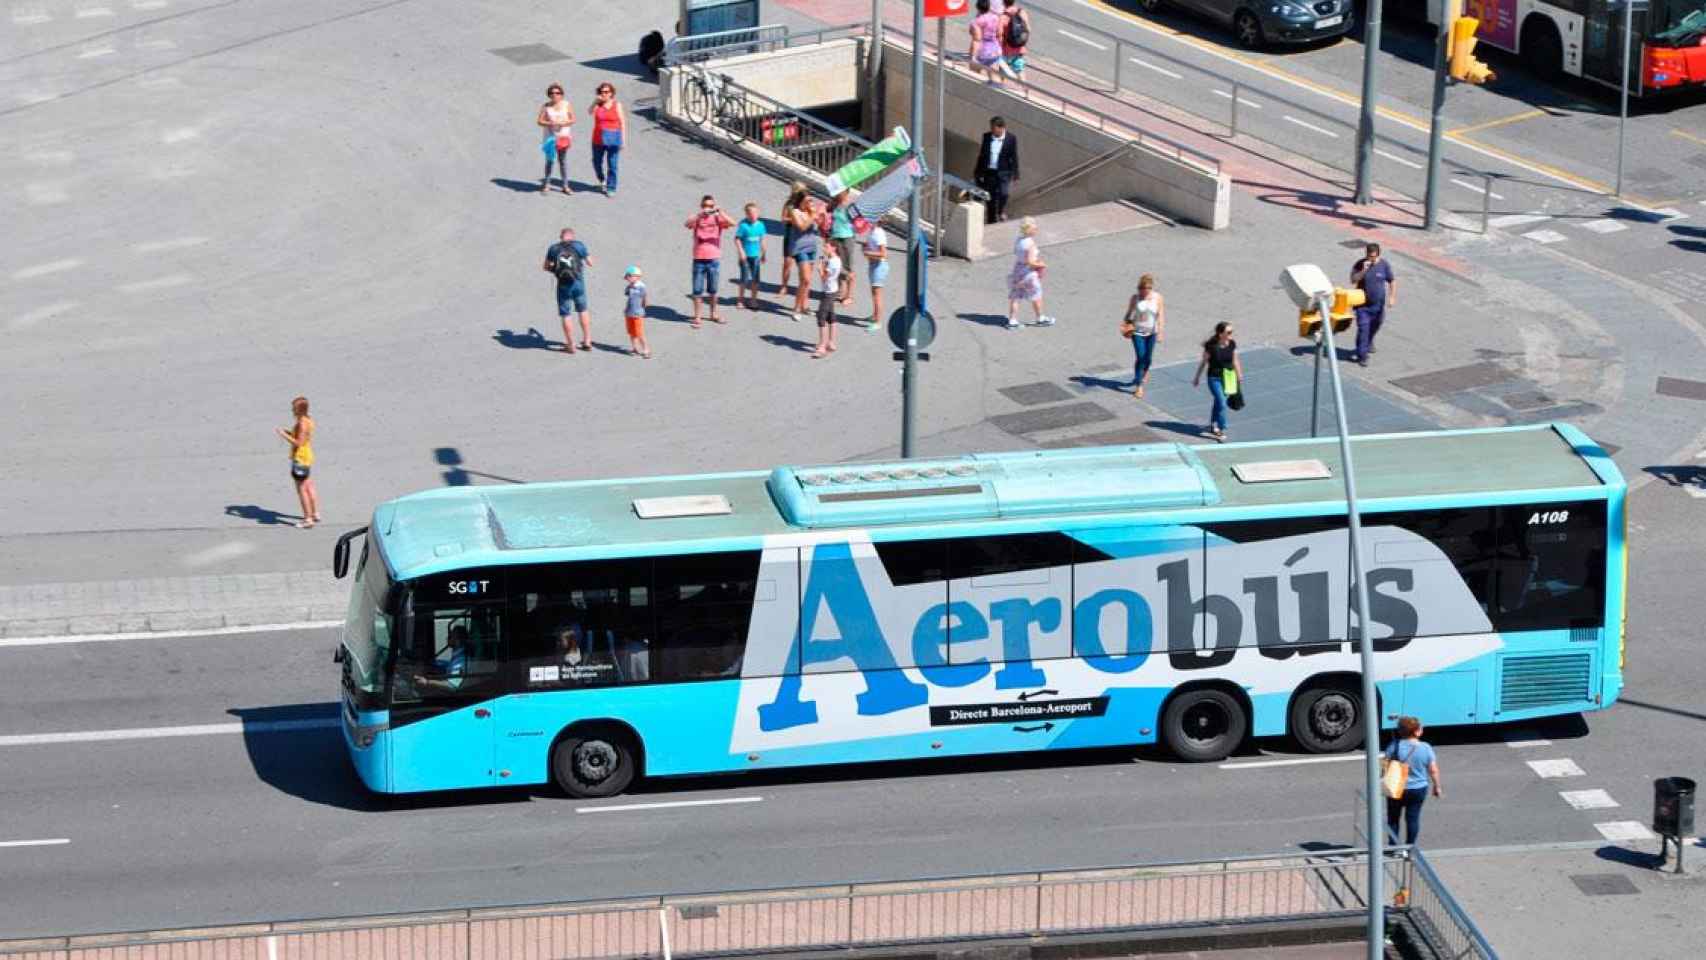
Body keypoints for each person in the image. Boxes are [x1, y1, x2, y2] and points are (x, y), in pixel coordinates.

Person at [1383, 715, 1442, 846]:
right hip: (1418, 789)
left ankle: (1393, 846)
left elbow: (1385, 767)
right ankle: (1410, 847)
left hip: (1396, 787)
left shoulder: (1394, 745)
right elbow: (1433, 770)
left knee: (1393, 819)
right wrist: (1437, 786)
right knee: (1412, 819)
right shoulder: (1425, 747)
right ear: (1416, 731)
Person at [684, 194, 735, 328]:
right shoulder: (697, 218)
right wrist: (700, 215)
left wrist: (720, 212)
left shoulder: (717, 218)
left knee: (713, 290)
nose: (708, 208)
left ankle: (714, 314)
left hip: (713, 258)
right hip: (699, 259)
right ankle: (697, 317)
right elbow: (687, 224)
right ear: (702, 206)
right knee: (697, 290)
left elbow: (733, 223)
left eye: (711, 206)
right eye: (706, 205)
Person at [543, 227, 594, 353]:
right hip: (578, 283)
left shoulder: (553, 248)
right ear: (572, 236)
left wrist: (555, 269)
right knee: (583, 310)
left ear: (561, 237)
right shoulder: (579, 246)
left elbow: (545, 267)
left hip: (563, 285)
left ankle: (571, 345)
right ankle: (587, 341)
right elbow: (590, 262)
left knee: (566, 314)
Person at [1191, 321, 1243, 442]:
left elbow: (1235, 360)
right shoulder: (1211, 347)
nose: (1231, 334)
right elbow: (1203, 363)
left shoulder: (1232, 344)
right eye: (1229, 332)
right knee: (1221, 402)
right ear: (1221, 334)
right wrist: (1197, 377)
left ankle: (1213, 424)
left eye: (1232, 331)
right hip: (1214, 378)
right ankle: (1220, 429)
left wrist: (1239, 374)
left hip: (1228, 378)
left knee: (1218, 402)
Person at [1350, 242, 1396, 366]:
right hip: (1362, 305)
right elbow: (1353, 280)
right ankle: (1362, 355)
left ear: (1378, 255)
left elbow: (1392, 281)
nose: (1371, 259)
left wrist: (1392, 297)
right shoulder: (1360, 264)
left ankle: (1369, 341)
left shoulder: (1384, 265)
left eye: (1374, 257)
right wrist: (1364, 270)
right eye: (1369, 256)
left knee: (1376, 325)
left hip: (1378, 306)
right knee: (1363, 329)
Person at [275, 396, 319, 529]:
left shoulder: (301, 423)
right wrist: (290, 432)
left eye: (294, 408)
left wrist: (283, 434)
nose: (292, 410)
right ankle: (315, 513)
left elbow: (298, 442)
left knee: (302, 490)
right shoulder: (308, 420)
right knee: (309, 485)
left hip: (300, 459)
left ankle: (308, 519)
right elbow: (302, 437)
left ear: (299, 410)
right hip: (307, 456)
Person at [1122, 273, 1165, 399]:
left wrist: (1161, 332)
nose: (1143, 291)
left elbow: (1161, 316)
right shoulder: (1135, 298)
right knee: (1140, 356)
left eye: (1146, 289)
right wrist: (1125, 325)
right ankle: (1139, 385)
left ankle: (1143, 372)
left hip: (1152, 332)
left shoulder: (1157, 298)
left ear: (1150, 288)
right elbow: (1129, 313)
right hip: (1137, 332)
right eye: (1141, 289)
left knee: (1148, 358)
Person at [1006, 217, 1054, 329]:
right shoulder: (1030, 244)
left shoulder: (1019, 240)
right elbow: (1030, 262)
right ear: (1029, 230)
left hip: (1017, 270)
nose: (1036, 229)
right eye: (1034, 227)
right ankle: (1040, 318)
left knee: (1015, 295)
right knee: (1036, 295)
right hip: (1028, 273)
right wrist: (1041, 265)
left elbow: (1016, 253)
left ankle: (1012, 320)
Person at [974, 116, 1019, 224]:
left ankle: (1000, 211)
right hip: (990, 173)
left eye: (994, 129)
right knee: (990, 199)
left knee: (1004, 193)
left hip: (1004, 172)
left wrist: (1016, 174)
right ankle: (991, 221)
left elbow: (1014, 156)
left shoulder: (1011, 139)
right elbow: (982, 155)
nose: (992, 131)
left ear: (1002, 128)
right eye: (991, 128)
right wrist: (977, 171)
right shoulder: (986, 136)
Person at [785, 190, 820, 322]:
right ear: (801, 201)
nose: (810, 203)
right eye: (808, 201)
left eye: (811, 200)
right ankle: (797, 308)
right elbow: (802, 227)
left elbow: (820, 226)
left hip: (812, 247)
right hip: (800, 249)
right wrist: (812, 215)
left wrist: (821, 217)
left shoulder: (810, 211)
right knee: (804, 279)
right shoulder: (795, 212)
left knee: (808, 280)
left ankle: (805, 306)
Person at [588, 82, 626, 196]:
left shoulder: (617, 105)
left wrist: (623, 140)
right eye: (602, 92)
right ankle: (602, 180)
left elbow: (622, 122)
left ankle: (611, 187)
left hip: (613, 138)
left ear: (611, 93)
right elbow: (589, 112)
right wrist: (595, 101)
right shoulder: (598, 105)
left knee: (612, 164)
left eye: (607, 92)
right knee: (596, 162)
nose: (604, 94)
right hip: (598, 139)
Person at [537, 83, 574, 194]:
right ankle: (547, 185)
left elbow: (573, 119)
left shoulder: (567, 105)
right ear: (549, 95)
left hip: (563, 137)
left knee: (562, 161)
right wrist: (549, 122)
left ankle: (565, 186)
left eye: (557, 93)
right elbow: (539, 121)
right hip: (550, 138)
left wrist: (564, 122)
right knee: (550, 161)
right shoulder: (546, 106)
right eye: (552, 93)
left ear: (561, 95)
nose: (555, 95)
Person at [812, 226, 842, 358]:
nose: (824, 249)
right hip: (832, 290)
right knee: (831, 316)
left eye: (827, 247)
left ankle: (822, 346)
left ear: (833, 248)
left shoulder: (833, 263)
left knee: (821, 318)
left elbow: (824, 277)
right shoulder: (834, 260)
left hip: (827, 292)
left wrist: (819, 269)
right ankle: (831, 342)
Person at [734, 202, 767, 309]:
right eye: (750, 213)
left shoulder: (761, 225)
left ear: (758, 213)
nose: (753, 215)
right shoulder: (743, 225)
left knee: (755, 280)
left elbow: (762, 239)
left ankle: (753, 300)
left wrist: (764, 253)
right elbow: (737, 239)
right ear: (746, 214)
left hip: (756, 256)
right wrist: (741, 252)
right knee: (744, 279)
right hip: (745, 257)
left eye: (755, 213)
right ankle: (740, 300)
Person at [779, 181, 808, 298]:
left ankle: (803, 287)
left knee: (803, 263)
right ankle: (784, 286)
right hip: (790, 234)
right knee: (787, 262)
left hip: (802, 236)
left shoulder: (805, 203)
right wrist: (794, 219)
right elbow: (783, 218)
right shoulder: (789, 204)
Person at [828, 191, 857, 306]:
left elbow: (858, 220)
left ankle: (849, 295)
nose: (838, 194)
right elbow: (828, 213)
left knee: (849, 267)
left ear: (846, 193)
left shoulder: (850, 205)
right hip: (836, 237)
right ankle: (840, 291)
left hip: (847, 237)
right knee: (838, 265)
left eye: (841, 192)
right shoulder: (834, 203)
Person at [969, 0, 1006, 85]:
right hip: (994, 51)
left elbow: (976, 40)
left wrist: (973, 56)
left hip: (982, 52)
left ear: (977, 7)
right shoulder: (995, 18)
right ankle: (998, 93)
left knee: (974, 76)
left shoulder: (976, 22)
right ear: (989, 7)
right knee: (994, 77)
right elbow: (999, 33)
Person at [861, 222, 889, 333]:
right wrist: (866, 246)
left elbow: (883, 253)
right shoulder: (872, 231)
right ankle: (875, 315)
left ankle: (878, 322)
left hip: (879, 266)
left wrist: (868, 252)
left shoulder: (879, 233)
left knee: (877, 295)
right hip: (873, 264)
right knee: (874, 293)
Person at [999, 0, 1031, 82]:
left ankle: (1002, 88)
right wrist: (1021, 42)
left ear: (1003, 2)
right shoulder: (1022, 12)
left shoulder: (1003, 16)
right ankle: (1025, 91)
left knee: (1003, 73)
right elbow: (1028, 30)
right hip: (1019, 49)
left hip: (1005, 51)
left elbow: (999, 35)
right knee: (1020, 71)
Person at [622, 265, 650, 358]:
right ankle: (635, 348)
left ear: (637, 277)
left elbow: (645, 298)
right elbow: (626, 294)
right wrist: (629, 285)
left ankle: (646, 349)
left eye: (630, 275)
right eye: (627, 276)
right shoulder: (630, 286)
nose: (628, 277)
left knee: (639, 333)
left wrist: (643, 307)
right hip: (629, 312)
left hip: (637, 313)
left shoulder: (641, 287)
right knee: (631, 332)